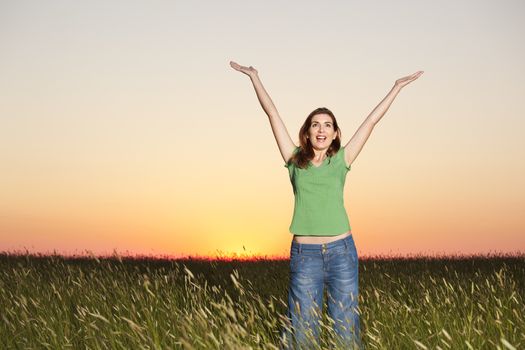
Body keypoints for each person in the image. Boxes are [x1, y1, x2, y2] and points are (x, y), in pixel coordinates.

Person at [230, 61, 423, 349]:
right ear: (306, 133)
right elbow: (272, 113)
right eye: (315, 124)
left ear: (335, 134)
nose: (321, 129)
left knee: (345, 326)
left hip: (341, 252)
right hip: (304, 255)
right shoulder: (294, 159)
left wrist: (396, 87)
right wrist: (255, 78)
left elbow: (370, 122)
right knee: (302, 328)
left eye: (328, 125)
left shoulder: (341, 160)